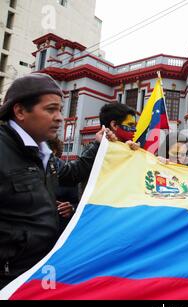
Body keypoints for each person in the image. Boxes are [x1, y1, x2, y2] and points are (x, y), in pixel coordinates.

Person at [0, 73, 113, 289]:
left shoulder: (43, 155)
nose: (60, 117)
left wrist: (98, 144)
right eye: (51, 109)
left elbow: (72, 173)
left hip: (38, 274)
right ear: (21, 111)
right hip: (9, 281)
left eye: (60, 110)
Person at [47, 137, 80, 234]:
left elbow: (77, 204)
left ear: (54, 151)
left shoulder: (67, 173)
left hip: (57, 231)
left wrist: (71, 209)